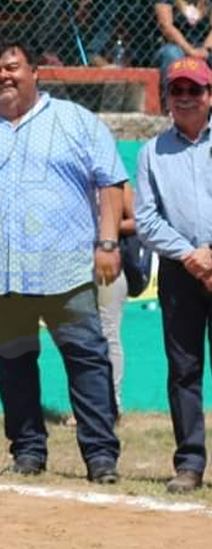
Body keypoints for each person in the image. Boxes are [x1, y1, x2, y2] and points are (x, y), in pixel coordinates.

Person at [0, 37, 125, 484]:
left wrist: (109, 243)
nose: (4, 76)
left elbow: (111, 180)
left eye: (13, 67)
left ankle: (100, 457)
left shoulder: (76, 121)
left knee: (87, 361)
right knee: (13, 366)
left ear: (35, 71)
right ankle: (28, 452)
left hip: (67, 272)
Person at [135, 55, 212, 494]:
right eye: (176, 91)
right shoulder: (151, 153)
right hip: (183, 274)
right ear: (166, 98)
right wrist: (193, 257)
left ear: (209, 95)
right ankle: (189, 464)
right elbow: (146, 220)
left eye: (194, 90)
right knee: (184, 370)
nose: (185, 98)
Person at [98, 183, 137, 412]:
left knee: (108, 333)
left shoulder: (118, 182)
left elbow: (138, 221)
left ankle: (112, 404)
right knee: (80, 340)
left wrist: (107, 228)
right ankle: (88, 406)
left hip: (110, 269)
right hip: (73, 268)